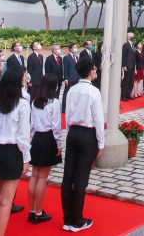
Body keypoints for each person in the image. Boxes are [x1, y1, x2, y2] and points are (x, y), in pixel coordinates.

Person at [60, 58, 102, 232]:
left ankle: (68, 218)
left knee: (68, 177)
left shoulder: (72, 90)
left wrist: (70, 132)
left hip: (73, 133)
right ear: (91, 72)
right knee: (80, 179)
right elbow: (98, 119)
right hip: (87, 135)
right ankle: (77, 220)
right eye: (94, 69)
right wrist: (101, 143)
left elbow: (68, 115)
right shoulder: (93, 92)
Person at [0, 67, 30, 236]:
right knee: (5, 202)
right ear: (18, 80)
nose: (26, 77)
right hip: (13, 152)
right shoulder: (23, 104)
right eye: (24, 75)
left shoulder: (0, 103)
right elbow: (23, 135)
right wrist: (26, 158)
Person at [28, 74, 62, 224]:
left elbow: (32, 125)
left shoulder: (35, 101)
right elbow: (56, 126)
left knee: (34, 174)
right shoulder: (54, 102)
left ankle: (31, 209)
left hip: (36, 138)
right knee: (42, 177)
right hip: (48, 138)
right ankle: (38, 210)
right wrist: (59, 144)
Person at [61, 44, 79, 111]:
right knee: (67, 93)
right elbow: (65, 69)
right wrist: (66, 79)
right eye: (75, 47)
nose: (76, 49)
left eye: (76, 47)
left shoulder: (76, 57)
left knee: (75, 94)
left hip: (76, 79)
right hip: (69, 79)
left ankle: (73, 108)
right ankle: (64, 109)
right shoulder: (66, 57)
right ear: (70, 49)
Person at [120, 33, 135, 101]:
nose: (132, 37)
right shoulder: (125, 45)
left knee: (131, 81)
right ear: (128, 37)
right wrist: (123, 65)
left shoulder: (133, 45)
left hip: (132, 66)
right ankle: (123, 96)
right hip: (127, 66)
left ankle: (128, 94)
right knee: (125, 81)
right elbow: (123, 55)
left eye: (133, 36)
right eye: (131, 36)